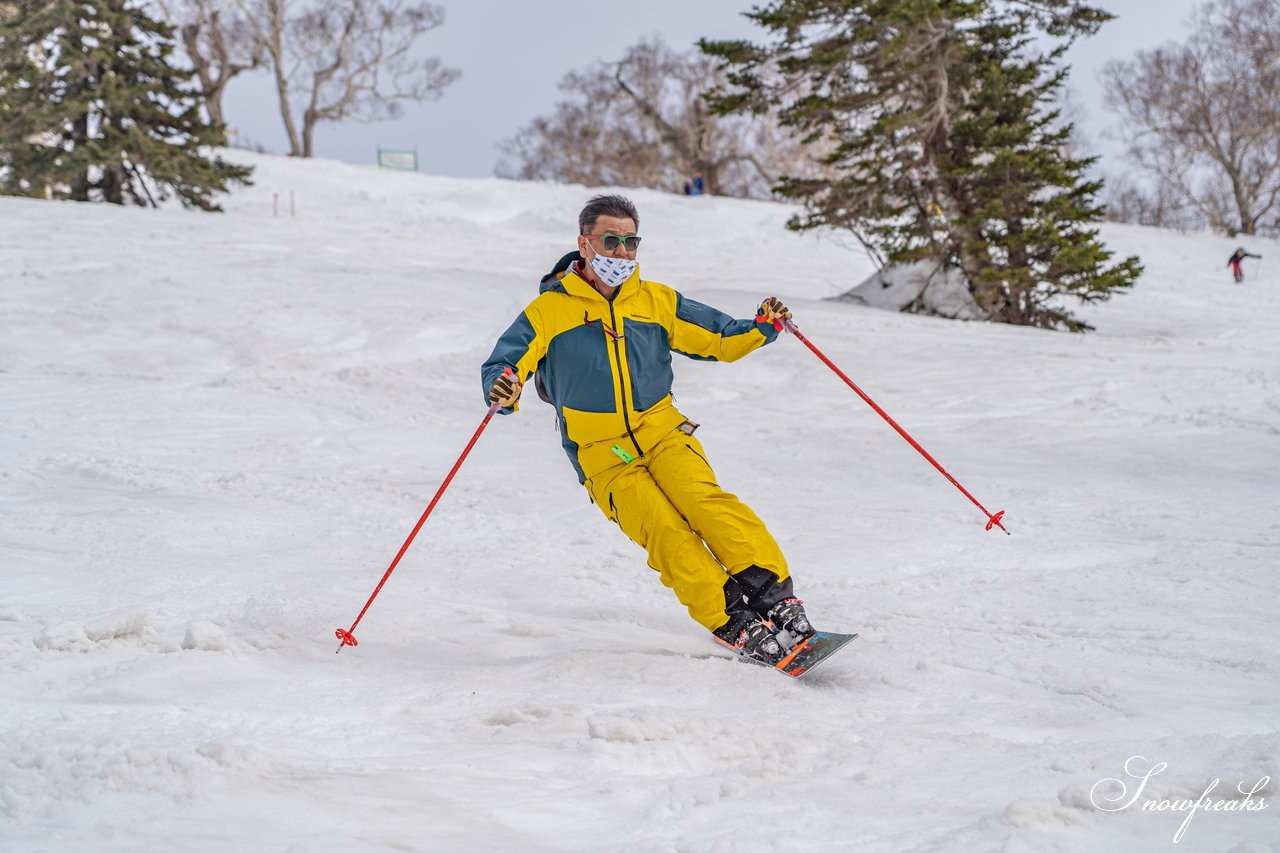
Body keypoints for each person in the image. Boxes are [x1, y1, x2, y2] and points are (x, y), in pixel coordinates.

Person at [481, 194, 812, 664]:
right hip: (602, 451)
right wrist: (503, 387)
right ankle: (733, 620)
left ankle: (778, 602)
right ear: (585, 243)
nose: (620, 252)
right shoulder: (548, 311)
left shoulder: (655, 301)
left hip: (661, 431)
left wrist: (762, 326)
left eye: (630, 242)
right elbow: (505, 364)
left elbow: (717, 336)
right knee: (664, 529)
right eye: (610, 241)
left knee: (706, 503)